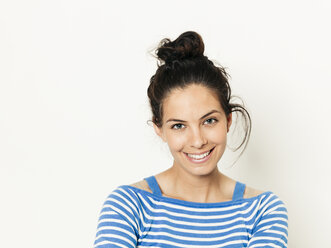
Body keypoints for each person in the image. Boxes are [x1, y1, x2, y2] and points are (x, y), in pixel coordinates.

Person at [93, 31, 288, 248]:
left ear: (228, 120)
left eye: (209, 121)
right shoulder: (128, 206)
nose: (197, 141)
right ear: (159, 128)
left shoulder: (263, 211)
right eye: (179, 126)